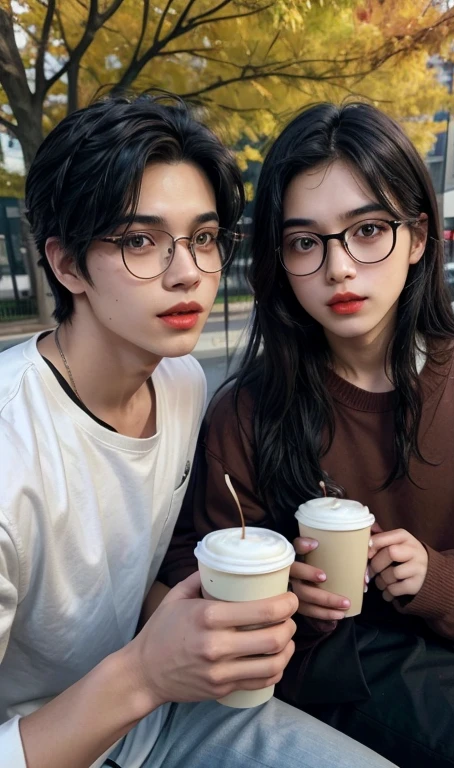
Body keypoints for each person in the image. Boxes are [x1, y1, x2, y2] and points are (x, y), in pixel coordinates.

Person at [0, 94, 396, 768]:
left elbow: (120, 583)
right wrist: (147, 672)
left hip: (165, 717)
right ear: (66, 265)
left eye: (205, 238)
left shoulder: (181, 383)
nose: (188, 273)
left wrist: (225, 605)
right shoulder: (14, 453)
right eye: (140, 241)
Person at [160, 102, 454, 768]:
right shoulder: (248, 410)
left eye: (368, 229)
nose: (339, 267)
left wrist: (437, 578)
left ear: (417, 237)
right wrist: (281, 585)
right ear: (279, 260)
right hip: (342, 657)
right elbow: (193, 563)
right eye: (304, 241)